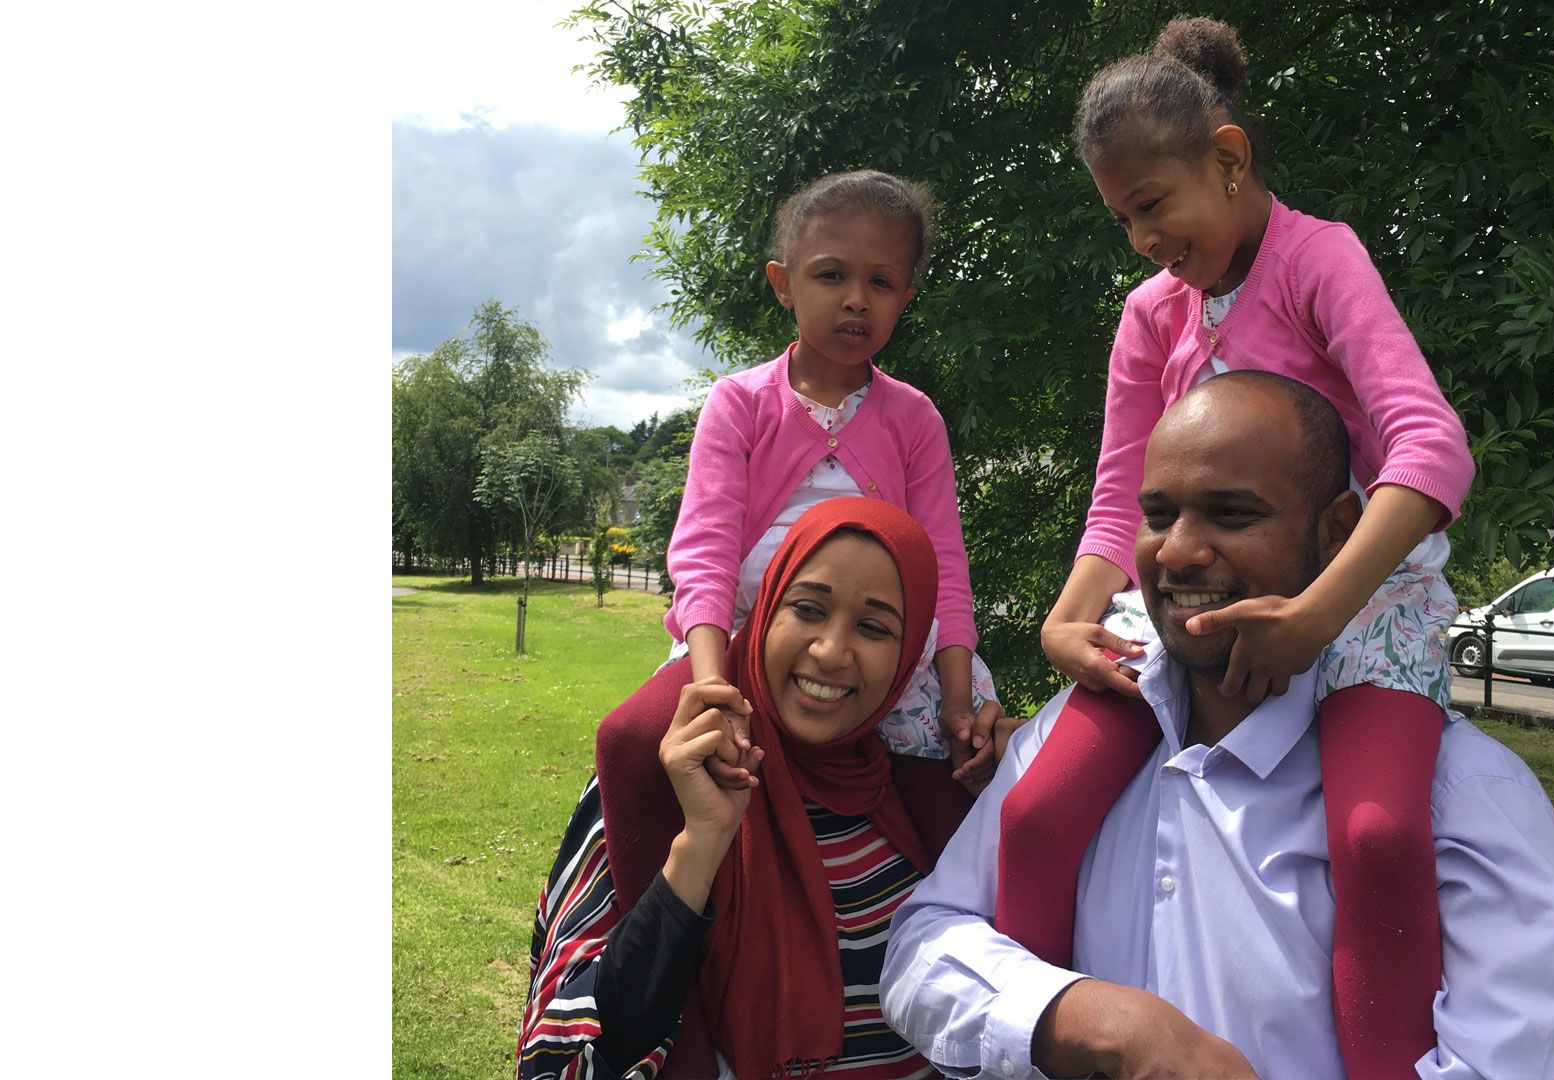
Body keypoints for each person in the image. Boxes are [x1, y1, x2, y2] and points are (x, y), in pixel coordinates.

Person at [882, 373, 1554, 1079]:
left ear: (1339, 534)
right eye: (1159, 516)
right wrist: (1090, 1021)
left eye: (1232, 515)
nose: (1178, 551)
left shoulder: (1467, 801)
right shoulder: (1065, 741)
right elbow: (922, 944)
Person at [1026, 17, 1476, 1072]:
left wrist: (1317, 618)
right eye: (1120, 217)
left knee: (1377, 840)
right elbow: (1117, 497)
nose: (1141, 237)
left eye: (1153, 206)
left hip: (1359, 597)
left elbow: (1431, 445)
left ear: (1227, 161)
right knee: (1040, 810)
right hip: (1190, 603)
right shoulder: (1149, 316)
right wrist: (1069, 614)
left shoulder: (1320, 257)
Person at [521, 498, 975, 1079]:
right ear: (764, 610)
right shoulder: (672, 769)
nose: (831, 651)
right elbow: (576, 1052)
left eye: (873, 626)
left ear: (909, 655)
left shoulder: (919, 782)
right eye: (808, 609)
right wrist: (701, 844)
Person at [661, 169, 1006, 792]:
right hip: (741, 644)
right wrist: (711, 684)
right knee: (637, 740)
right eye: (830, 275)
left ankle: (924, 889)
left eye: (881, 282)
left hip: (880, 661)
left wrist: (957, 700)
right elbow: (704, 552)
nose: (856, 298)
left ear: (905, 298)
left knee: (947, 776)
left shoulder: (914, 419)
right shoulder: (740, 404)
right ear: (783, 284)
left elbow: (943, 566)